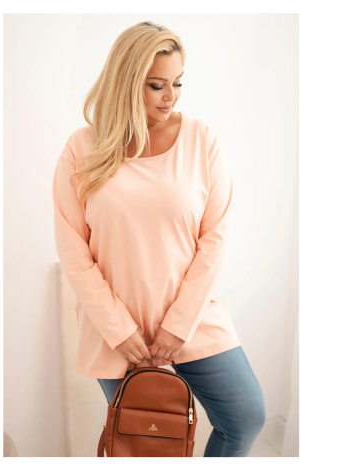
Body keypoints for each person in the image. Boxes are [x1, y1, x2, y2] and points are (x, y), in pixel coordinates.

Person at [52, 21, 266, 457]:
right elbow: (74, 252)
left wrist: (177, 326)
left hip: (192, 319)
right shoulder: (83, 148)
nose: (171, 96)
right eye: (156, 85)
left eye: (177, 83)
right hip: (118, 332)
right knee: (146, 449)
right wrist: (119, 330)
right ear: (126, 82)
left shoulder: (201, 139)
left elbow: (215, 238)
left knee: (246, 419)